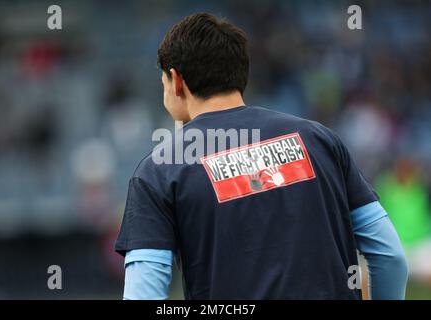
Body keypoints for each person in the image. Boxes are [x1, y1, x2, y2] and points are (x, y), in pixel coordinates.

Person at [115, 13, 408, 299]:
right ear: (240, 73)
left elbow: (144, 292)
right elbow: (390, 255)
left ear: (176, 81)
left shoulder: (159, 171)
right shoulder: (320, 140)